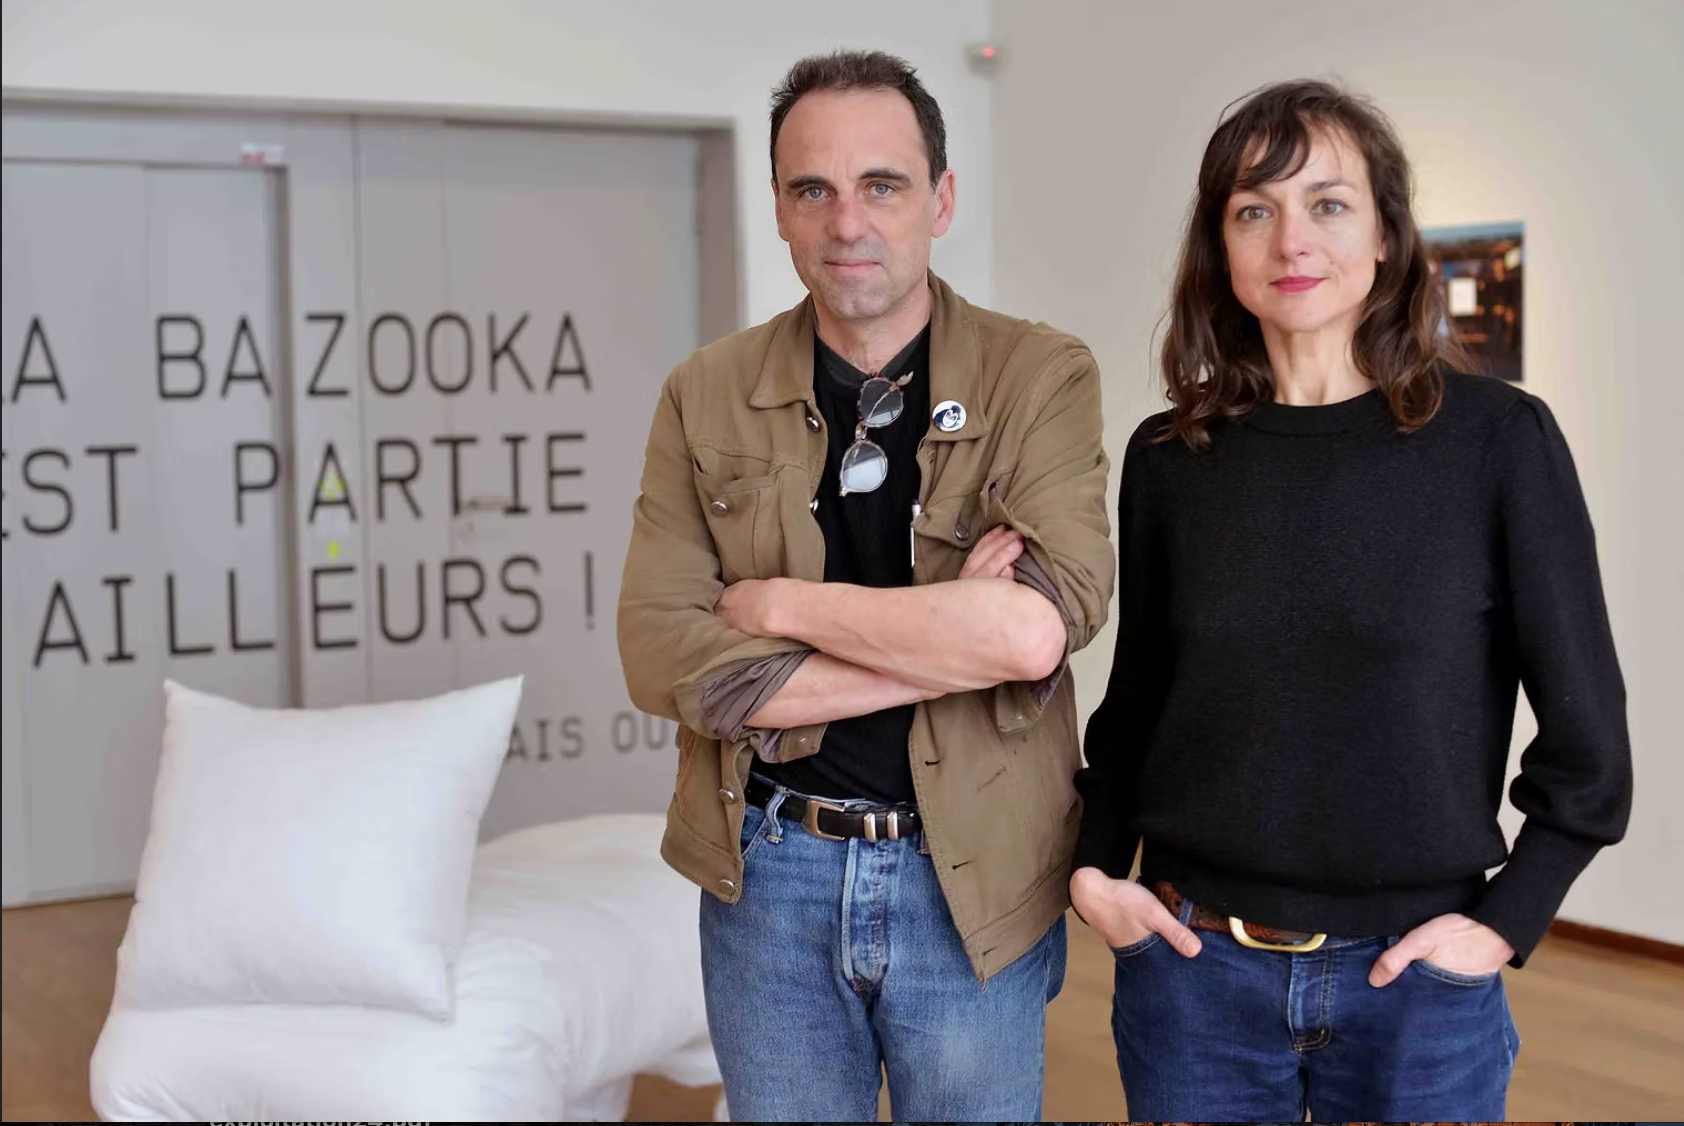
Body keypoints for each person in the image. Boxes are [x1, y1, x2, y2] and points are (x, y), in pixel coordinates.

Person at [1071, 79, 1631, 1121]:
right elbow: (1139, 698)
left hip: (1416, 988)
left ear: (1385, 237)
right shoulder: (1172, 457)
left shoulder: (1497, 442)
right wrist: (1096, 868)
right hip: (1193, 973)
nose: (1292, 239)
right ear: (1221, 247)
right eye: (1254, 209)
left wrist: (1504, 922)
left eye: (1327, 204)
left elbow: (1589, 746)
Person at [616, 50, 1114, 1121]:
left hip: (972, 872)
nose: (847, 222)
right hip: (769, 870)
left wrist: (775, 608)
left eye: (882, 185)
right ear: (779, 210)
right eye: (814, 190)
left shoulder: (1039, 376)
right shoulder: (704, 393)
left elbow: (1039, 628)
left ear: (940, 200)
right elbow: (660, 653)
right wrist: (948, 647)